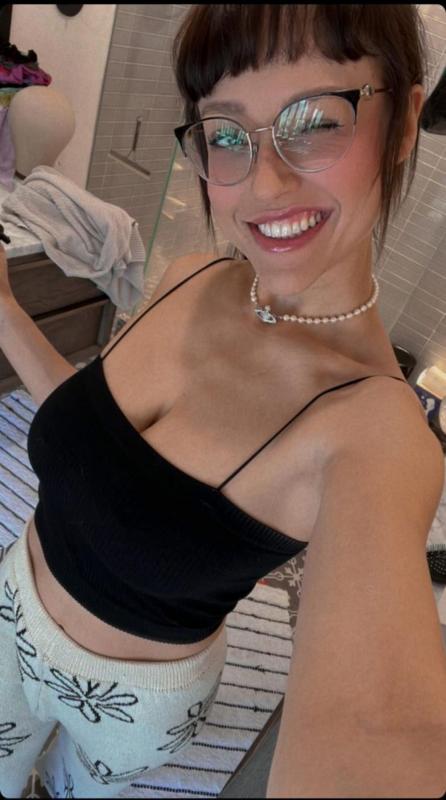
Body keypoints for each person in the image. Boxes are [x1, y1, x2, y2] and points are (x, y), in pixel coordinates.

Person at [0, 4, 445, 798]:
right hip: (10, 609)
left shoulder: (375, 430)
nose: (263, 183)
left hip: (128, 708)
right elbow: (103, 450)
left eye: (315, 120)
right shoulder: (192, 275)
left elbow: (379, 735)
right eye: (226, 133)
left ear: (405, 121)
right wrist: (3, 304)